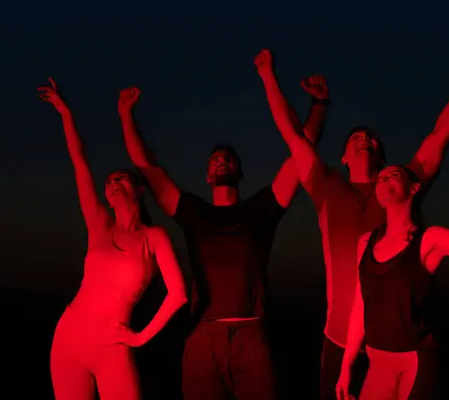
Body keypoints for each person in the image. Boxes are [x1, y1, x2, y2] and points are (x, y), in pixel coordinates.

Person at [255, 42, 449, 399]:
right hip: (338, 341)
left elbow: (441, 134)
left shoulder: (400, 187)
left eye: (371, 138)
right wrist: (268, 76)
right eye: (356, 138)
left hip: (399, 346)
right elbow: (291, 133)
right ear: (344, 156)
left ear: (382, 156)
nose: (364, 139)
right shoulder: (326, 185)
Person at [117, 69, 329, 400]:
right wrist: (126, 114)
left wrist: (319, 104)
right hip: (203, 337)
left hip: (252, 336)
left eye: (228, 159)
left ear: (239, 171)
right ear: (206, 175)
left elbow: (300, 156)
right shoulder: (194, 213)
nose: (221, 161)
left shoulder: (261, 209)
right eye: (215, 159)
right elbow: (147, 169)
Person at [38, 78, 187, 400]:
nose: (113, 183)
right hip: (69, 339)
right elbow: (80, 163)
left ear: (139, 190)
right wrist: (64, 112)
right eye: (109, 182)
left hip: (113, 346)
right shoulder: (99, 225)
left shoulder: (155, 237)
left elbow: (179, 295)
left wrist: (141, 337)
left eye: (121, 178)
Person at [335, 164, 449, 399]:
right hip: (378, 364)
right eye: (380, 179)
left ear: (414, 188)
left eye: (393, 176)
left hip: (414, 362)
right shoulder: (366, 242)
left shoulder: (429, 239)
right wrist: (346, 368)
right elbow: (359, 307)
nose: (384, 180)